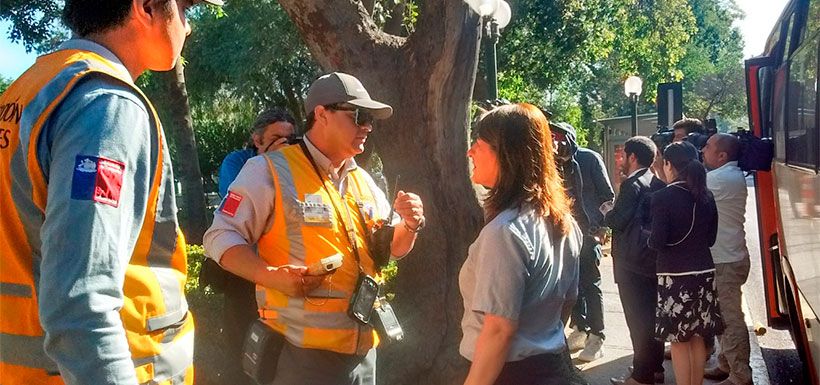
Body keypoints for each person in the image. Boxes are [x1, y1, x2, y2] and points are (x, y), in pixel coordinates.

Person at [0, 0, 222, 383]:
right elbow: (81, 301)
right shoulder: (107, 105)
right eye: (185, 10)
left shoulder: (27, 91)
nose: (187, 28)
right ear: (147, 7)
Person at [203, 72, 425, 385]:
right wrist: (270, 275)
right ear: (321, 114)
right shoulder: (269, 170)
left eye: (371, 120)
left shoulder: (363, 180)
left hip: (364, 352)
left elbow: (392, 249)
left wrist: (411, 225)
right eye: (359, 116)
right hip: (301, 357)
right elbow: (218, 237)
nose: (367, 127)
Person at [460, 103, 586, 385]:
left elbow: (498, 330)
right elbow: (567, 302)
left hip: (507, 373)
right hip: (550, 368)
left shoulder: (505, 231)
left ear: (505, 153)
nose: (471, 152)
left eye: (478, 144)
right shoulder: (562, 222)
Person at [211, 108, 296, 384]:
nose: (285, 142)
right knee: (241, 343)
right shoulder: (237, 161)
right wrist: (266, 160)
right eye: (276, 137)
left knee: (277, 351)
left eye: (290, 137)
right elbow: (235, 204)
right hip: (243, 273)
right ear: (257, 139)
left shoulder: (296, 167)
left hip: (280, 274)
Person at [648, 142, 724, 385]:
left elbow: (657, 241)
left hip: (675, 275)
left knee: (679, 339)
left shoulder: (662, 197)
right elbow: (710, 239)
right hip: (704, 272)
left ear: (669, 164)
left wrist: (647, 237)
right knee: (698, 336)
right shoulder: (706, 196)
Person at [604, 137, 667, 385]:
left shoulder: (631, 185)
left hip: (631, 262)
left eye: (622, 155)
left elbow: (618, 221)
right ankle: (656, 368)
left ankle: (641, 376)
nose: (620, 160)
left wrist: (607, 211)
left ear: (632, 157)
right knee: (653, 317)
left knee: (637, 320)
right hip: (652, 260)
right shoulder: (658, 182)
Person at [550, 122, 614, 362]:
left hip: (589, 232)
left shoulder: (589, 159)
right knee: (570, 284)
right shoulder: (552, 163)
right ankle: (580, 328)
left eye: (560, 138)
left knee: (591, 283)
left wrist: (603, 229)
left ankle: (597, 336)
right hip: (563, 233)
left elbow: (607, 195)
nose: (556, 145)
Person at [701, 134, 752, 385]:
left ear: (722, 156)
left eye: (708, 147)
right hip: (730, 256)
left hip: (725, 261)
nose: (703, 150)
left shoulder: (719, 179)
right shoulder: (732, 175)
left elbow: (681, 186)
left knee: (730, 320)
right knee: (722, 315)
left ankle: (741, 375)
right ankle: (725, 364)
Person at [218, 108, 297, 197]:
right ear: (257, 141)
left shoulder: (299, 163)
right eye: (276, 139)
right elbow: (232, 203)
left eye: (289, 139)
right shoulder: (236, 161)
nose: (284, 144)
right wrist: (267, 161)